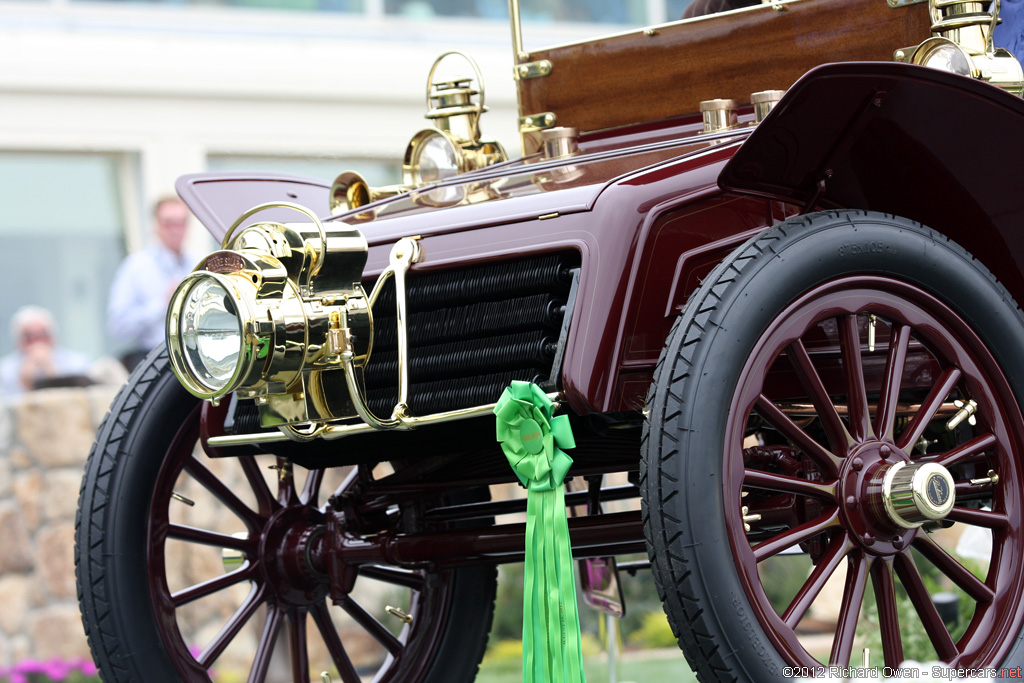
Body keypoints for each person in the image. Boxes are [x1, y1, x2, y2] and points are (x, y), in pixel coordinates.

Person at [107, 196, 198, 371]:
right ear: (155, 226)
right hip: (154, 360)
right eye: (169, 223)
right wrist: (163, 306)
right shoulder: (136, 267)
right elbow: (117, 326)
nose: (176, 230)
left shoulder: (199, 263)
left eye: (182, 222)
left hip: (195, 357)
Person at [0, 306, 91, 397]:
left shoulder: (77, 363)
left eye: (43, 335)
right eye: (29, 337)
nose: (37, 342)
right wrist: (24, 381)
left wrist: (51, 374)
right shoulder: (5, 370)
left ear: (53, 337)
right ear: (18, 341)